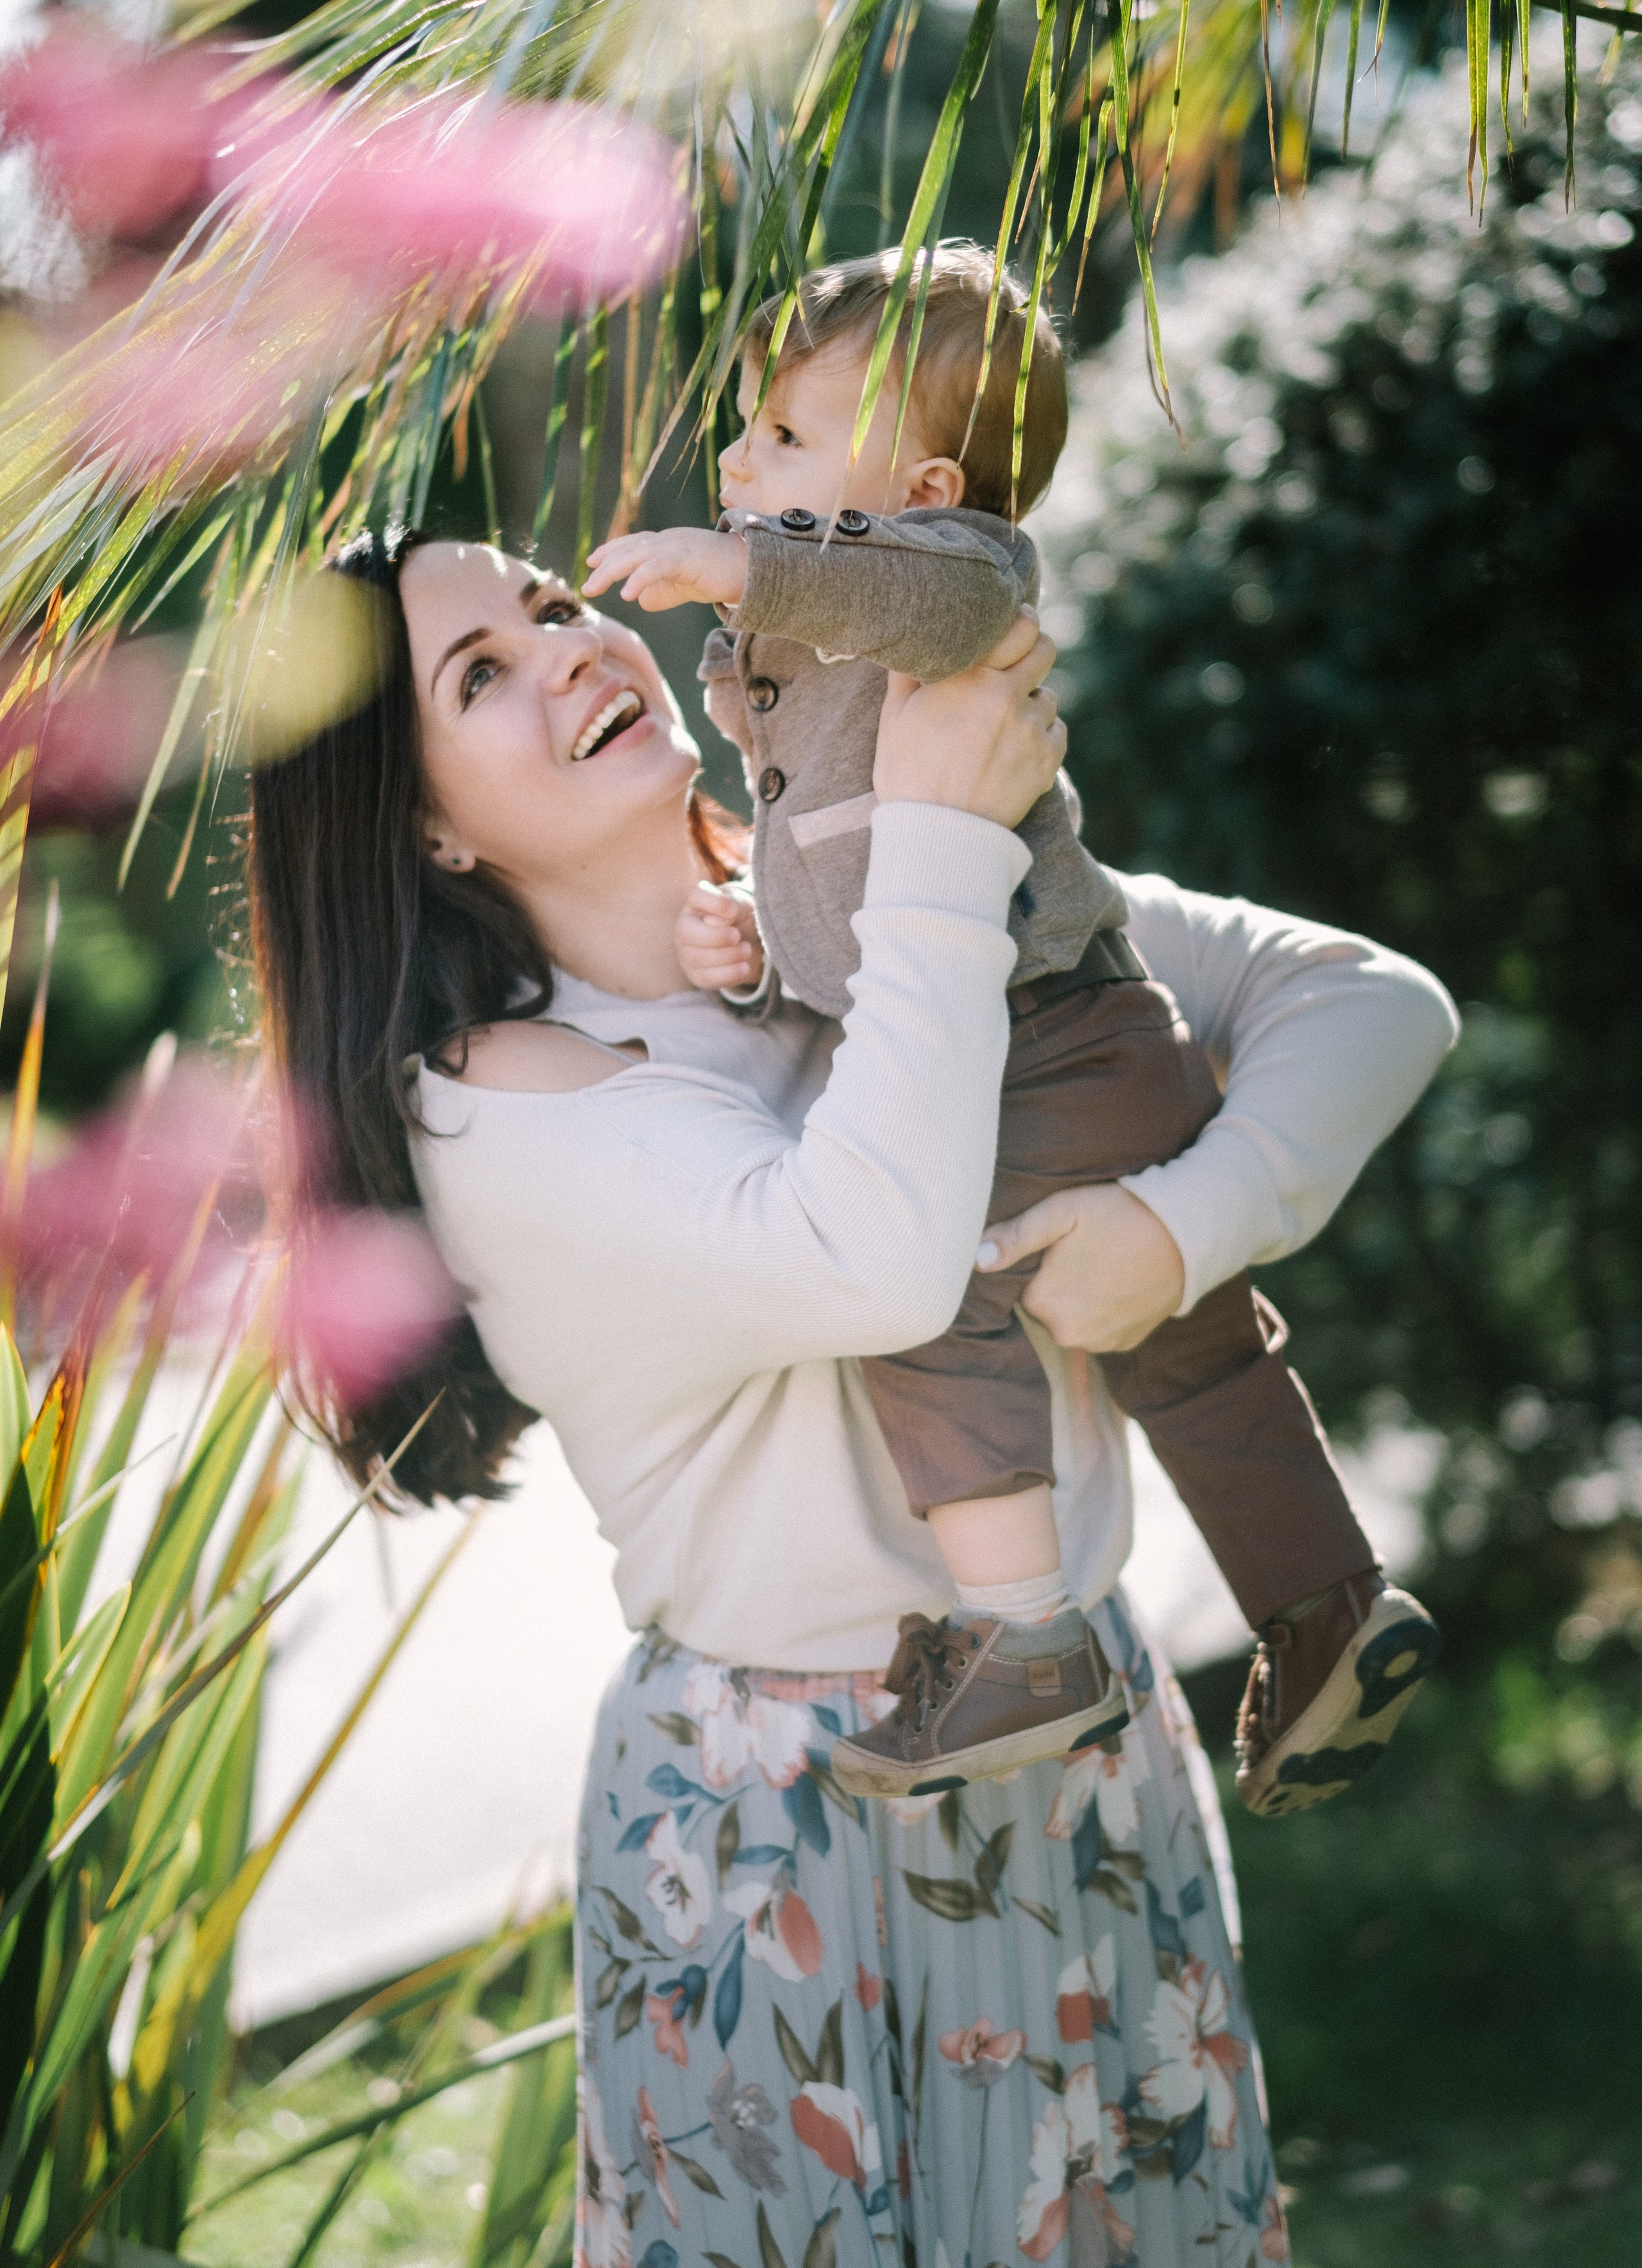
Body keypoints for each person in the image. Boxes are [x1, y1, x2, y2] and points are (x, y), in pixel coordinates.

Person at [248, 525, 1457, 2267]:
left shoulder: (841, 902)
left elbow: (1364, 1004)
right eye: (482, 675)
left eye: (560, 604)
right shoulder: (507, 1102)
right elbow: (874, 1259)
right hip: (788, 1823)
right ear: (424, 825)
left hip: (1084, 1742)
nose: (572, 649)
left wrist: (1179, 1228)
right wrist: (950, 848)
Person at [581, 243, 1441, 1816]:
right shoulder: (827, 636)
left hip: (1053, 1034)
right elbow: (853, 884)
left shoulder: (950, 575)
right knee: (1191, 1356)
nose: (735, 458)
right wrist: (752, 946)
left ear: (916, 482)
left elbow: (932, 597)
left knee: (915, 1284)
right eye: (746, 430)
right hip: (1077, 1044)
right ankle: (1325, 1609)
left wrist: (743, 564)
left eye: (780, 433)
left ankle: (1025, 1635)